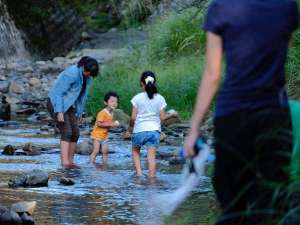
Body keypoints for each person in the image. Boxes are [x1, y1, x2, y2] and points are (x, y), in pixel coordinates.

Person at [184, 1, 299, 224]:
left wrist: (194, 129)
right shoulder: (287, 6)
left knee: (232, 205)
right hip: (274, 113)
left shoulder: (221, 7)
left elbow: (212, 75)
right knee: (270, 205)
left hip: (233, 115)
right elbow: (284, 51)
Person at [47, 56, 99, 169]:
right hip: (55, 103)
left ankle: (70, 162)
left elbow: (82, 96)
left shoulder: (88, 77)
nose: (88, 74)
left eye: (90, 73)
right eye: (87, 72)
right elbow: (58, 93)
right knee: (67, 131)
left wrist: (80, 112)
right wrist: (59, 111)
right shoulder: (71, 74)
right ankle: (64, 163)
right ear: (83, 67)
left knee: (75, 132)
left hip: (69, 105)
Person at [127, 71, 177, 178]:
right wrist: (171, 114)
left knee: (135, 151)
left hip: (139, 130)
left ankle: (139, 175)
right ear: (155, 83)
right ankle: (152, 179)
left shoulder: (137, 98)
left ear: (141, 83)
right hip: (154, 131)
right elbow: (163, 118)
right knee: (151, 157)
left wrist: (130, 128)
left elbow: (133, 118)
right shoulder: (160, 98)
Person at [90, 91, 120, 164]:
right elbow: (99, 124)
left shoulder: (112, 113)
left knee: (105, 151)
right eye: (112, 101)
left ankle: (104, 165)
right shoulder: (102, 112)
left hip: (105, 136)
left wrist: (114, 125)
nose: (114, 104)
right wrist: (112, 124)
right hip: (97, 135)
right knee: (96, 151)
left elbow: (108, 125)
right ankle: (91, 164)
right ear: (106, 103)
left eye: (116, 102)